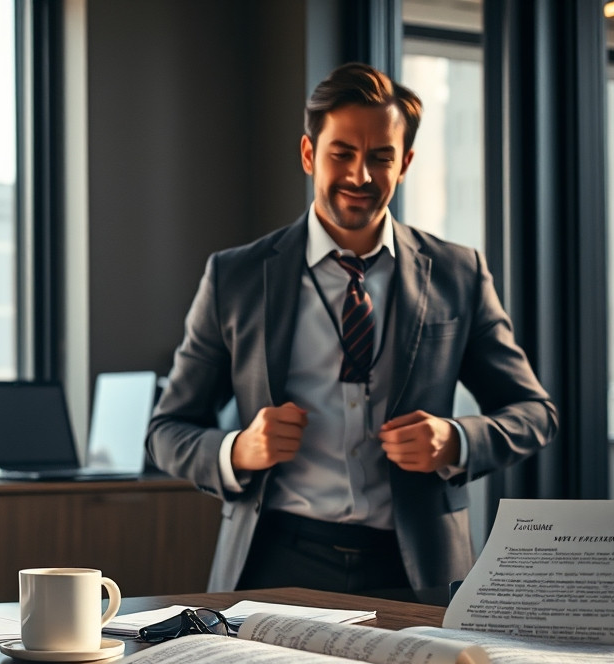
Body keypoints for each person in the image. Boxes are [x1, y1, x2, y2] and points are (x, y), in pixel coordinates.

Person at [147, 63, 557, 596]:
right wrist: (239, 449)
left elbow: (534, 414)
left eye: (381, 157)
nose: (360, 176)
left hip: (417, 570)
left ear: (404, 163)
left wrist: (454, 439)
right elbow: (167, 431)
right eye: (342, 153)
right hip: (274, 560)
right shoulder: (236, 276)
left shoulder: (459, 273)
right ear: (308, 154)